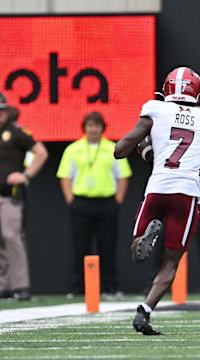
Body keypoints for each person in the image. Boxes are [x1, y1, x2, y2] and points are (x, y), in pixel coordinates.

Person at [114, 67, 200, 335]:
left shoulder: (155, 110)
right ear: (197, 93)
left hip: (157, 186)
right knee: (171, 261)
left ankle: (144, 239)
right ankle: (145, 311)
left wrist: (149, 150)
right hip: (185, 192)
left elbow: (119, 150)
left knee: (136, 252)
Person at [0, 91, 48, 301]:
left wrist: (26, 174)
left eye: (1, 109)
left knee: (12, 237)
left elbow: (41, 152)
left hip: (9, 196)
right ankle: (2, 285)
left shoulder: (16, 133)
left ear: (6, 110)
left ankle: (20, 285)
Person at [57, 112, 132, 297]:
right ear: (84, 128)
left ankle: (110, 287)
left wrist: (118, 200)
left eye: (96, 126)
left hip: (106, 203)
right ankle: (78, 288)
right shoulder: (73, 149)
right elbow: (65, 176)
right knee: (81, 246)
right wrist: (71, 199)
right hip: (81, 203)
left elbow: (123, 176)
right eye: (90, 125)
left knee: (107, 246)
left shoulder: (112, 148)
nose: (93, 129)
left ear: (102, 128)